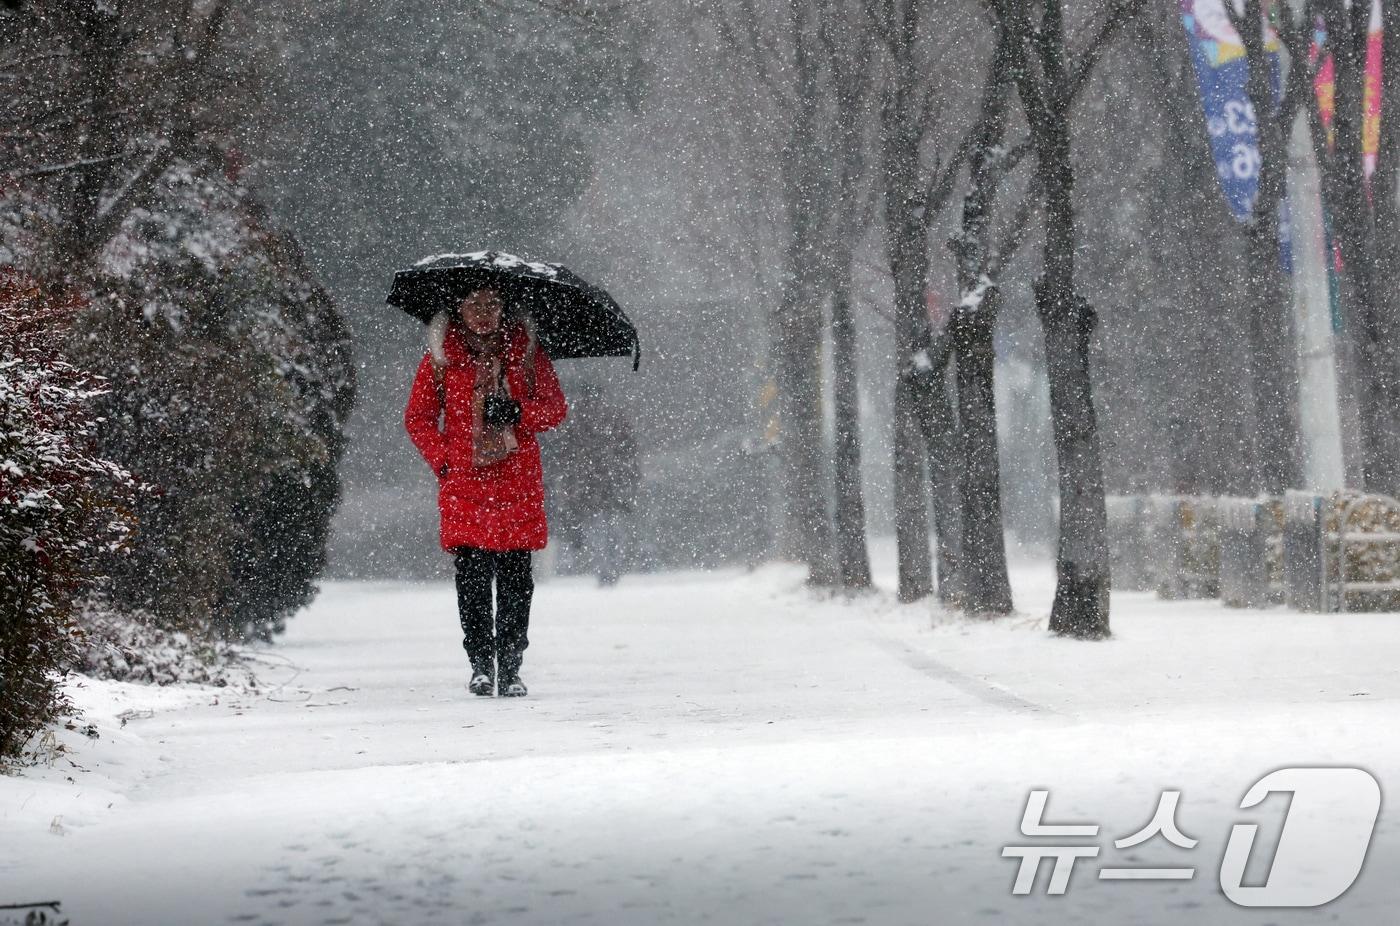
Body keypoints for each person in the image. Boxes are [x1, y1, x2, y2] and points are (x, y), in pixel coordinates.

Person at [404, 287, 567, 697]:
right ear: (458, 309)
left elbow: (555, 408)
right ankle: (480, 663)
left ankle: (510, 667)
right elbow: (418, 418)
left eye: (492, 304)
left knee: (516, 580)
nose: (483, 313)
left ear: (504, 308)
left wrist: (518, 412)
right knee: (473, 579)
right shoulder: (441, 357)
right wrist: (445, 461)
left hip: (518, 482)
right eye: (473, 304)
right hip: (465, 483)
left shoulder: (527, 353)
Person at [551, 381, 638, 586]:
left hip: (588, 487)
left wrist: (570, 483)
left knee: (597, 531)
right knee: (611, 530)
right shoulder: (613, 418)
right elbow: (628, 449)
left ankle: (605, 570)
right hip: (609, 484)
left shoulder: (575, 420)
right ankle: (611, 569)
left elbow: (566, 455)